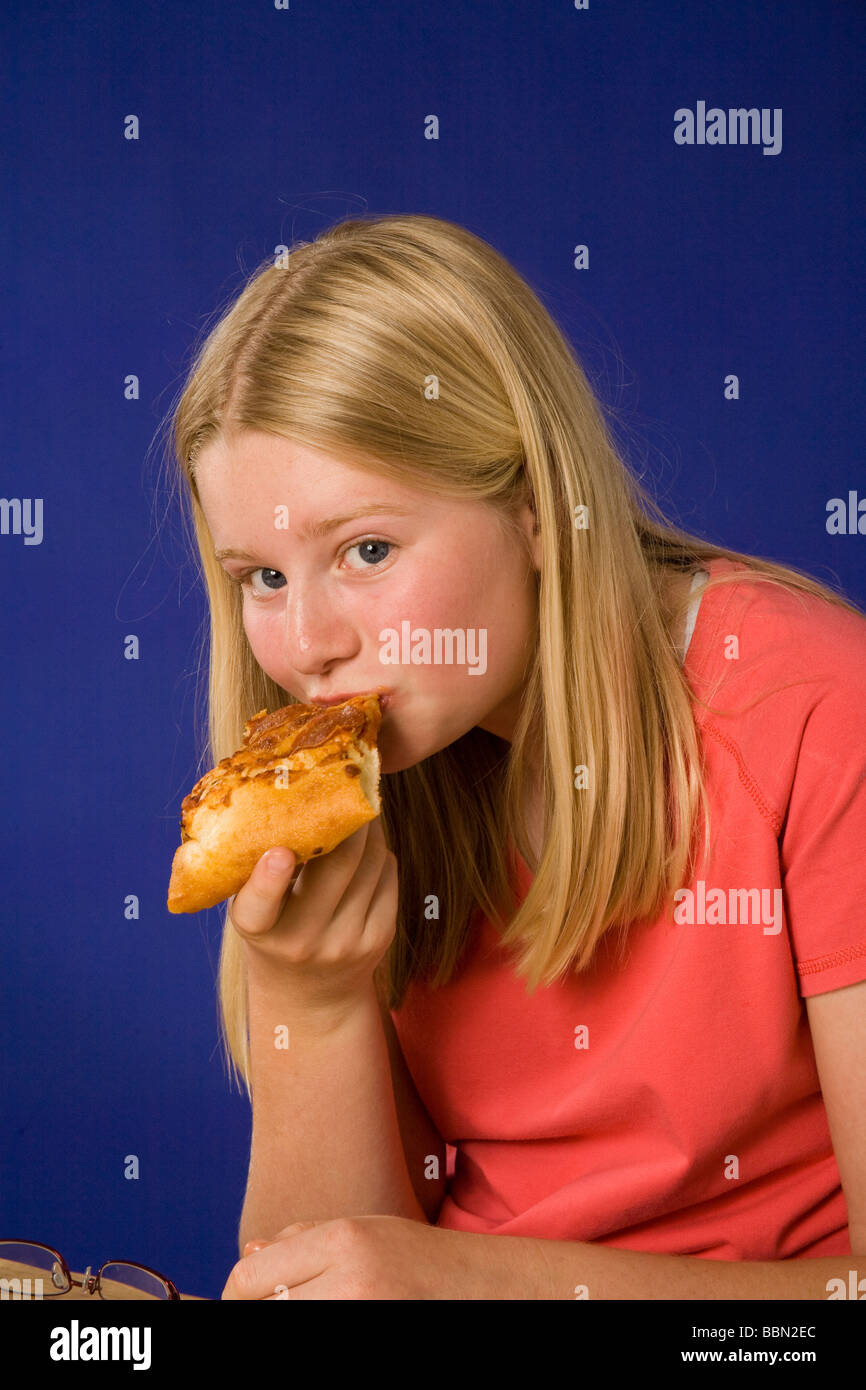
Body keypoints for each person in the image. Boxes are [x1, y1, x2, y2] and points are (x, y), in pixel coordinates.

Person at [164, 213, 866, 1299]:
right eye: (260, 575)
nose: (308, 646)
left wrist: (477, 1287)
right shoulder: (367, 786)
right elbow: (316, 1282)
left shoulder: (817, 713)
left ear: (537, 512)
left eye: (366, 550)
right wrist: (311, 995)